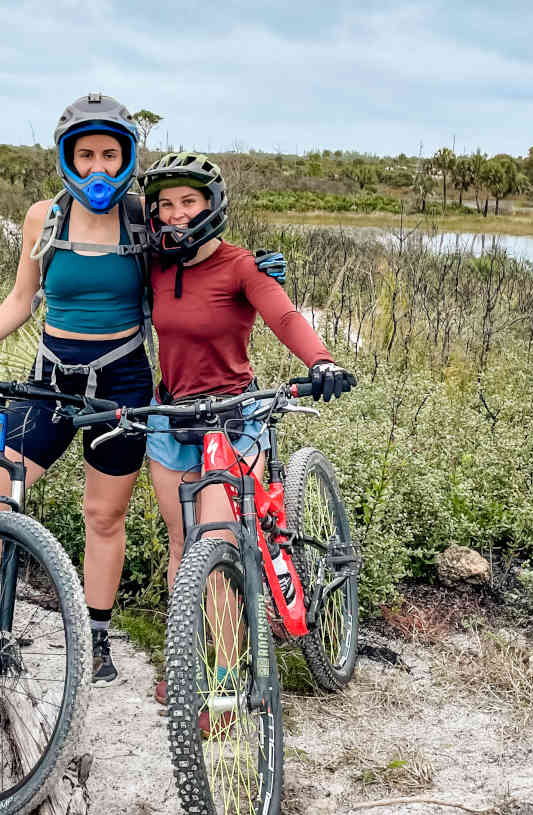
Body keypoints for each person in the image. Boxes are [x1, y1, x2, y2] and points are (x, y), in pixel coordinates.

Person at [0, 95, 284, 688]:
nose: (97, 168)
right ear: (67, 157)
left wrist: (258, 273)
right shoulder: (46, 217)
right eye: (85, 154)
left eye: (109, 155)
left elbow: (197, 254)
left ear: (126, 158)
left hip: (122, 383)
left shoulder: (143, 217)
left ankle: (95, 637)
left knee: (104, 515)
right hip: (51, 377)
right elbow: (21, 299)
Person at [140, 152, 355, 709]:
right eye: (165, 205)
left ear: (211, 205)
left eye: (189, 202)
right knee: (183, 546)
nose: (176, 214)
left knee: (218, 541)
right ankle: (189, 659)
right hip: (170, 420)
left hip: (232, 420)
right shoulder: (156, 264)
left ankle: (227, 679)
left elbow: (284, 316)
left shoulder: (242, 267)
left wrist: (322, 361)